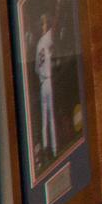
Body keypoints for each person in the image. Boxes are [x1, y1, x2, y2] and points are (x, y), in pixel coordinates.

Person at [35, 10, 58, 159]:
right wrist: (58, 6)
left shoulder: (38, 45)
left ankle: (45, 148)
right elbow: (55, 28)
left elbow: (36, 69)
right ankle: (54, 149)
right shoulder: (45, 39)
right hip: (48, 81)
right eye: (44, 23)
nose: (45, 25)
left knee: (44, 119)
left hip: (42, 83)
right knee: (51, 117)